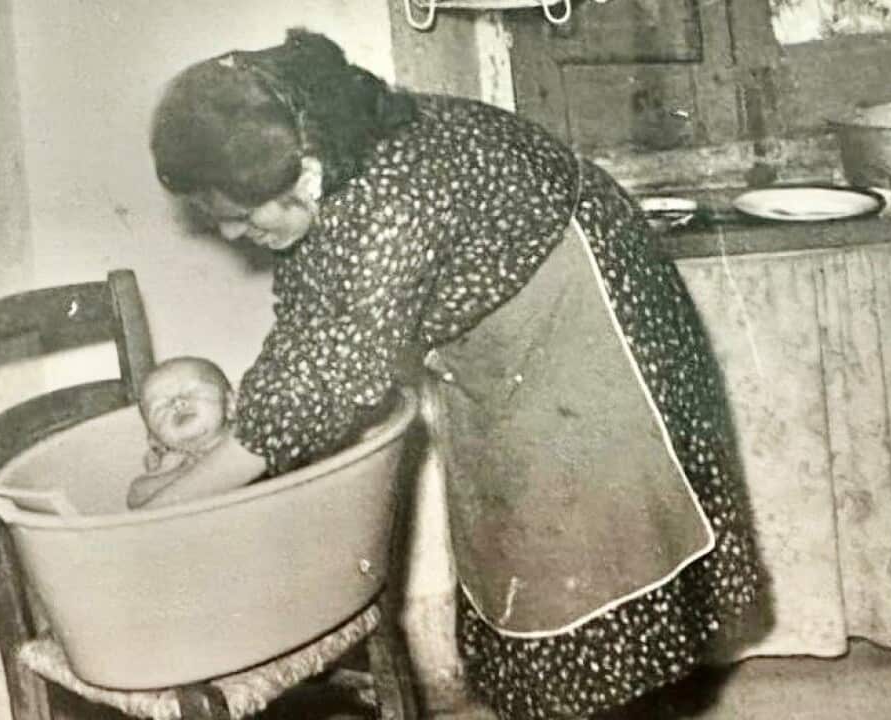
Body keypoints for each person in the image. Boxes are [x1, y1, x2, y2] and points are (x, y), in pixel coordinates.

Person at [148, 29, 763, 720]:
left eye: (236, 216)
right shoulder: (319, 148)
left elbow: (323, 383)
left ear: (303, 172)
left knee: (600, 562)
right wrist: (212, 450)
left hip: (585, 317)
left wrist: (157, 512)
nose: (228, 236)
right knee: (527, 557)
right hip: (507, 331)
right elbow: (305, 328)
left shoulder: (389, 203)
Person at [126, 356, 258, 509]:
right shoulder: (173, 461)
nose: (177, 403)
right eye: (160, 407)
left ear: (231, 405)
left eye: (192, 392)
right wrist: (181, 472)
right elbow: (135, 496)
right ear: (155, 438)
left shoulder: (245, 433)